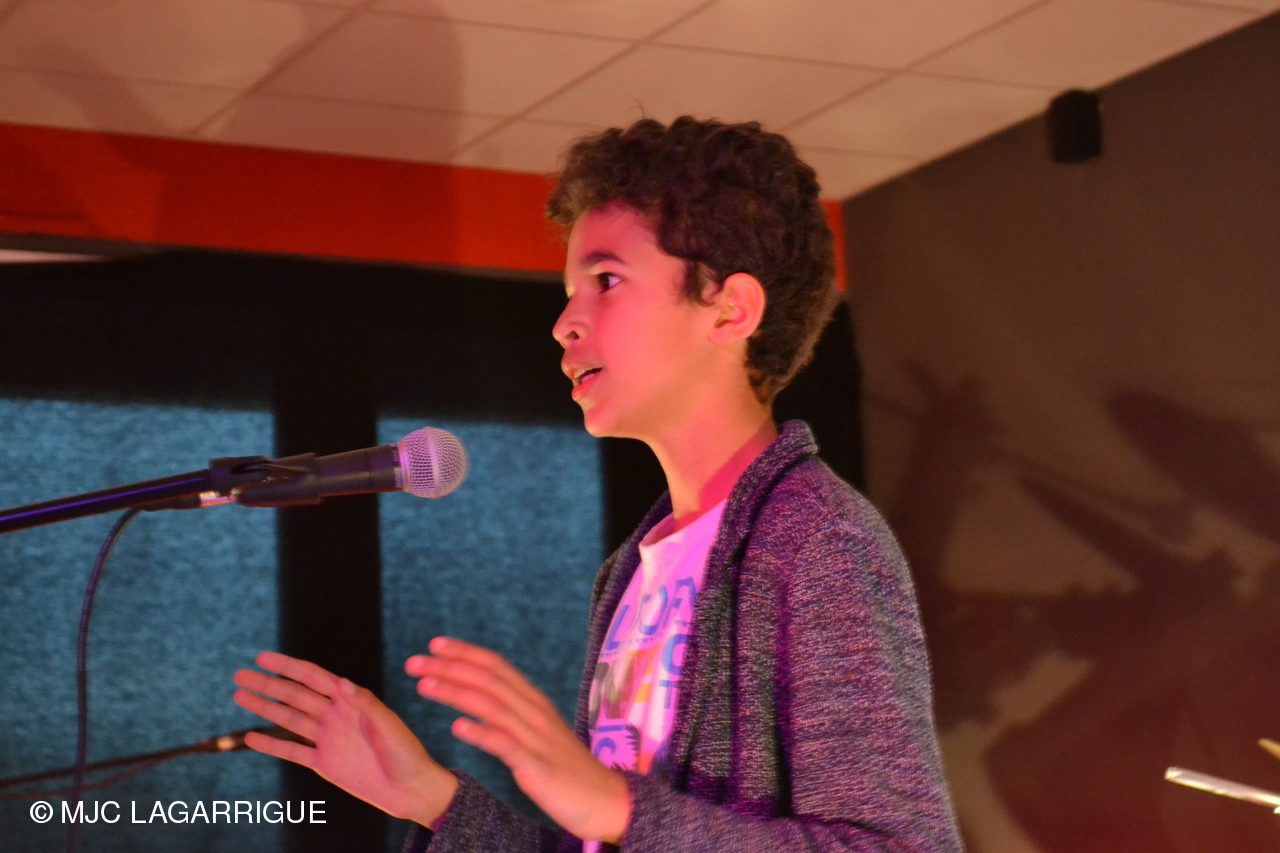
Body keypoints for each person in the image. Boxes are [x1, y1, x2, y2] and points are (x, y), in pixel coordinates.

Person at [233, 116, 963, 852]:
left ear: (731, 309)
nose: (564, 323)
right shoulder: (630, 572)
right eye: (570, 289)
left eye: (606, 281)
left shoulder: (817, 539)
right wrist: (432, 798)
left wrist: (619, 806)